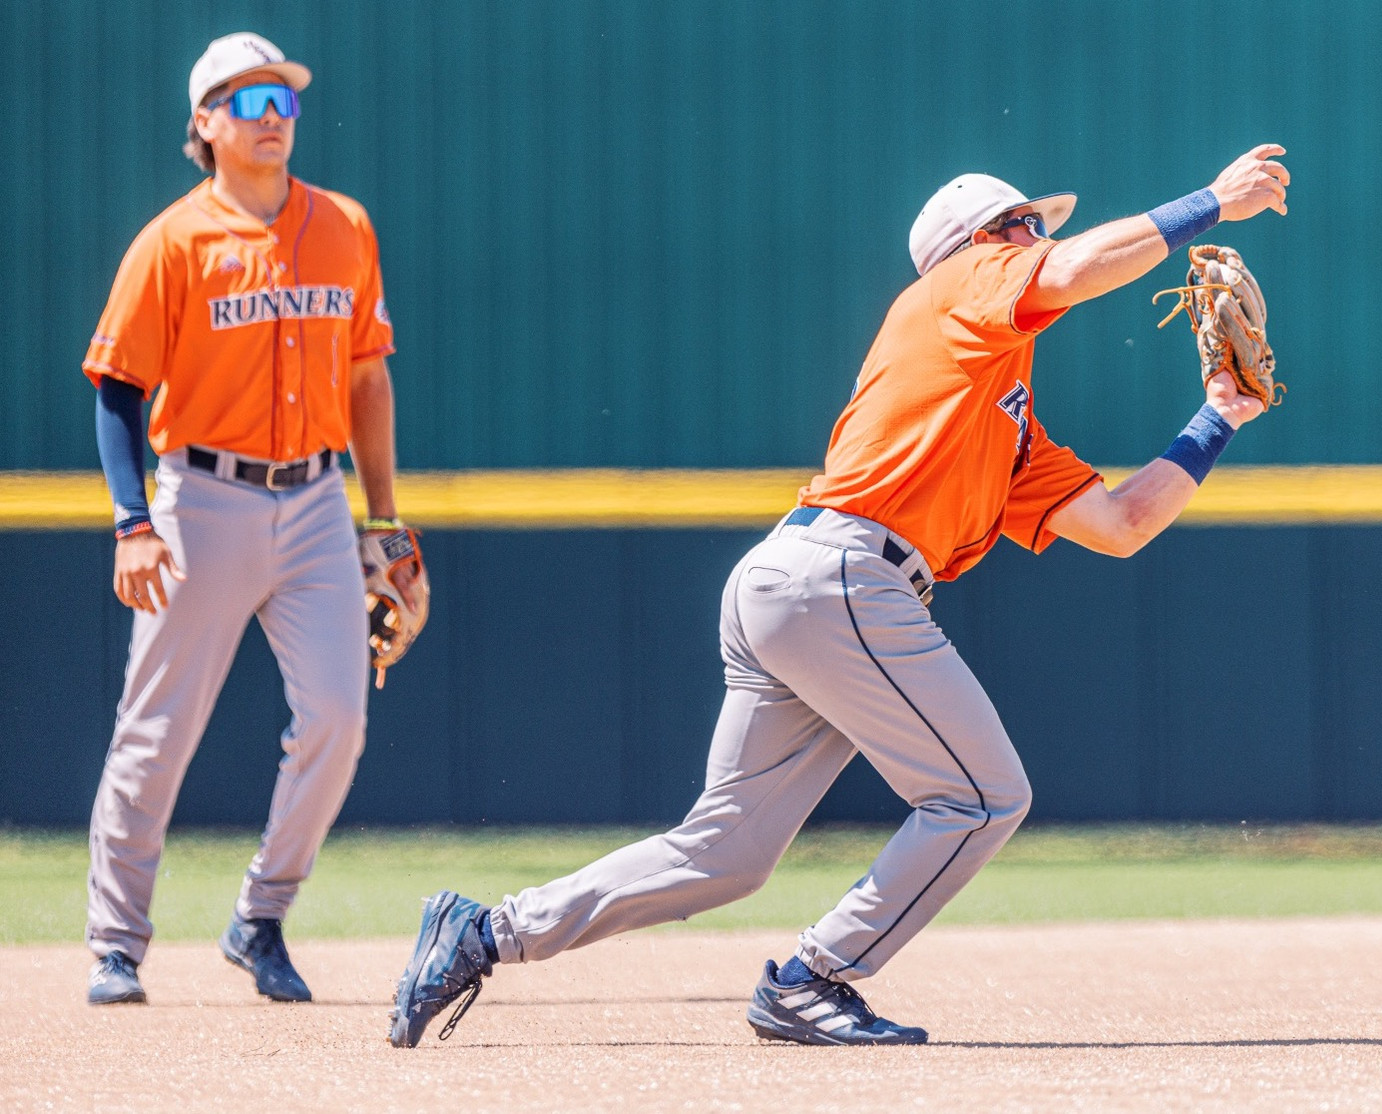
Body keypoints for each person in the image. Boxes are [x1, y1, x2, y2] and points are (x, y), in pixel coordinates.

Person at [387, 144, 1291, 1047]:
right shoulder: (959, 288)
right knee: (982, 796)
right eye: (1024, 224)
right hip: (843, 579)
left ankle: (483, 931)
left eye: (1034, 227)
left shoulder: (997, 409)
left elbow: (1124, 523)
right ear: (978, 244)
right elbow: (1072, 268)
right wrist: (1210, 202)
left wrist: (1219, 415)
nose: (1036, 234)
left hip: (801, 585)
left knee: (725, 853)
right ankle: (815, 976)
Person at [81, 32, 405, 1005]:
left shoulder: (345, 225)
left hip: (314, 499)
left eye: (285, 100)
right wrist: (132, 522)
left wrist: (384, 523)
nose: (272, 116)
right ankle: (115, 942)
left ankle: (260, 914)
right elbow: (116, 388)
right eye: (250, 99)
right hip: (201, 498)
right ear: (205, 123)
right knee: (159, 730)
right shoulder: (172, 242)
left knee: (340, 720)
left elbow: (367, 378)